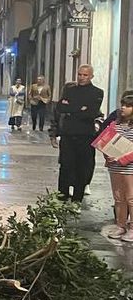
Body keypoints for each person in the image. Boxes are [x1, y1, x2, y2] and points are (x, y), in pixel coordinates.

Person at [49, 65, 104, 203]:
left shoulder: (97, 92)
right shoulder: (70, 90)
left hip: (85, 135)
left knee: (82, 167)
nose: (81, 77)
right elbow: (61, 107)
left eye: (85, 75)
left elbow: (91, 112)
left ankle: (77, 199)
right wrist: (80, 108)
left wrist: (72, 109)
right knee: (65, 165)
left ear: (91, 76)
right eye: (79, 74)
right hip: (68, 134)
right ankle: (62, 196)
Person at [100, 93, 133, 242]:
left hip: (129, 168)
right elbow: (106, 141)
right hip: (115, 167)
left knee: (131, 198)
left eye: (127, 106)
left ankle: (132, 228)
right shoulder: (115, 124)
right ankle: (121, 225)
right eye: (122, 105)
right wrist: (107, 155)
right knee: (118, 198)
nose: (123, 108)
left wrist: (122, 159)